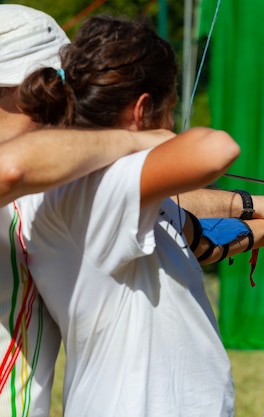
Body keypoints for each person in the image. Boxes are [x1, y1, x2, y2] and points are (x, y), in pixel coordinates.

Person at [17, 14, 264, 417]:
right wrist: (146, 141)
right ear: (143, 110)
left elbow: (192, 236)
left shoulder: (121, 198)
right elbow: (216, 149)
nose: (171, 126)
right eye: (171, 111)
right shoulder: (91, 191)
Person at [0, 5, 185, 417]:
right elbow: (10, 170)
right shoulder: (16, 172)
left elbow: (139, 200)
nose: (60, 103)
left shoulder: (38, 187)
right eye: (46, 88)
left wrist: (253, 207)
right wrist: (133, 140)